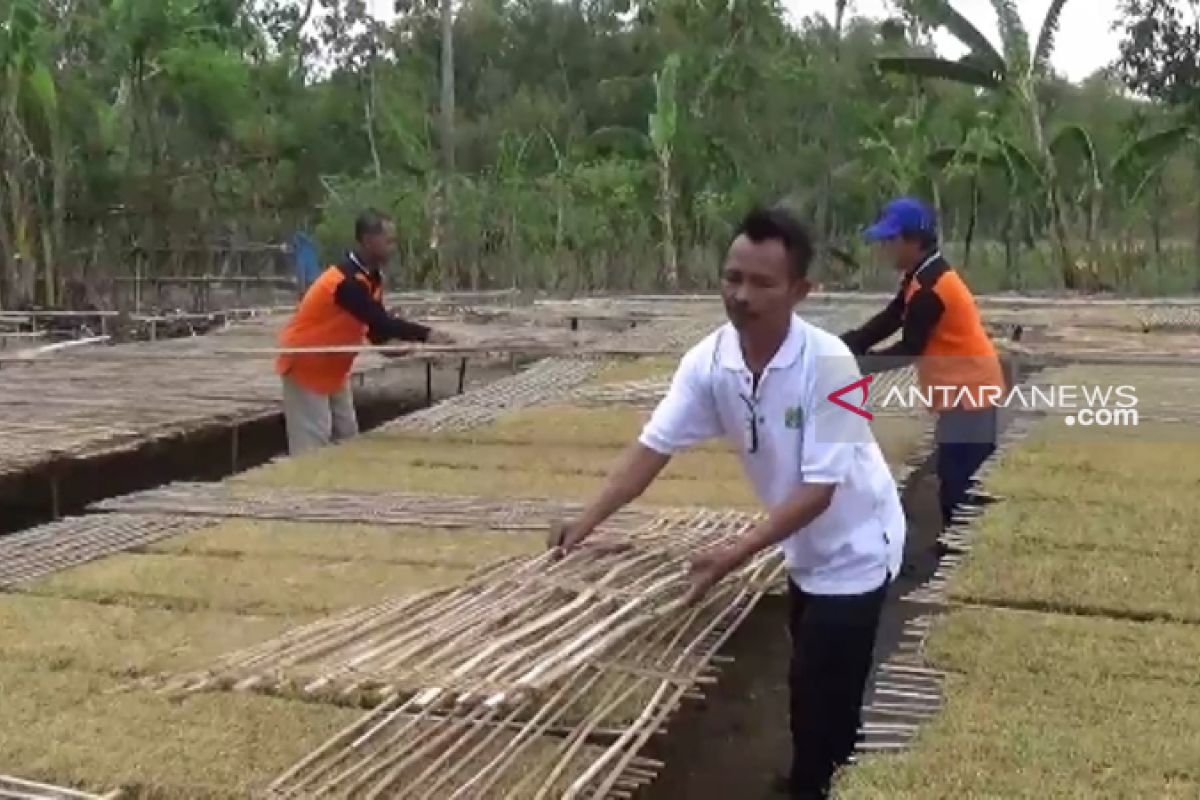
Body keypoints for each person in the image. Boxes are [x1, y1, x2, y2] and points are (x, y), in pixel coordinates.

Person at [551, 206, 906, 800]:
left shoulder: (833, 365)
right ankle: (808, 777)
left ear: (800, 291)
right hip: (802, 550)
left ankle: (825, 783)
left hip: (856, 548)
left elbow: (821, 492)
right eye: (732, 277)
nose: (741, 295)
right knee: (805, 679)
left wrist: (733, 552)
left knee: (830, 694)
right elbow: (650, 451)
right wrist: (583, 524)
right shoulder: (709, 363)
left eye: (762, 283)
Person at [840, 196, 1005, 530]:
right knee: (957, 474)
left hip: (969, 392)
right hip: (962, 391)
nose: (885, 249)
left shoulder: (931, 288)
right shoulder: (921, 275)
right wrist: (848, 343)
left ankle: (963, 548)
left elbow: (909, 347)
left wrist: (857, 365)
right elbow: (891, 318)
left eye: (890, 241)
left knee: (959, 481)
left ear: (914, 241)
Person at [275, 209, 452, 455]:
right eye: (388, 240)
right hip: (306, 362)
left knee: (346, 437)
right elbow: (381, 322)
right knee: (313, 445)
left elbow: (376, 332)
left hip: (334, 367)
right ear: (368, 241)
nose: (393, 246)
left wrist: (417, 352)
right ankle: (307, 492)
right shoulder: (345, 282)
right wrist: (428, 334)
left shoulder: (372, 278)